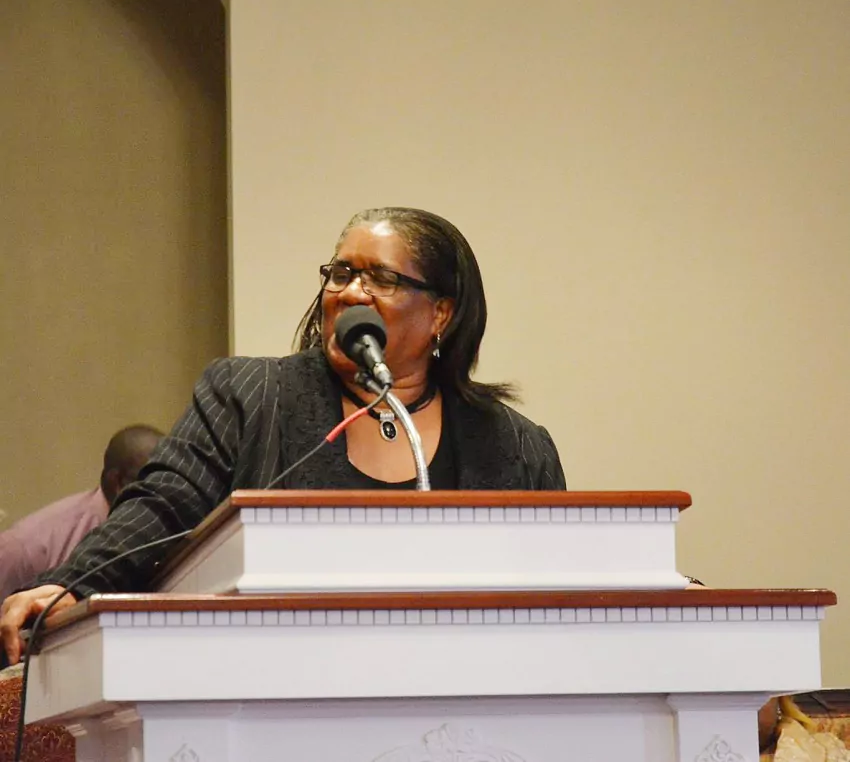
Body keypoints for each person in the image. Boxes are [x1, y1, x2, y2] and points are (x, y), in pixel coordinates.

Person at [0, 207, 566, 664]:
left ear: (440, 313)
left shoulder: (516, 447)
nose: (351, 292)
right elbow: (162, 504)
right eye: (341, 273)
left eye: (382, 278)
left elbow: (560, 592)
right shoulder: (251, 396)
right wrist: (73, 583)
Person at [0, 425, 164, 604]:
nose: (161, 494)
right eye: (151, 483)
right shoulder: (24, 547)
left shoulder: (169, 526)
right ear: (117, 481)